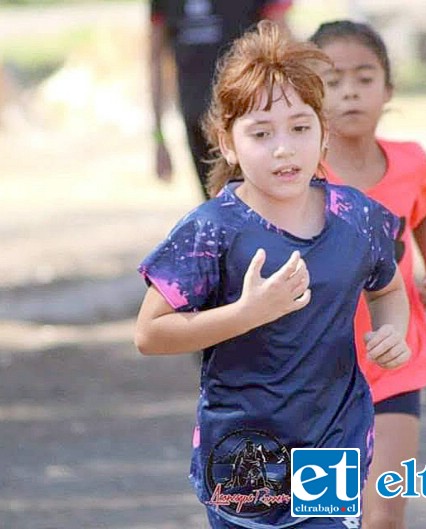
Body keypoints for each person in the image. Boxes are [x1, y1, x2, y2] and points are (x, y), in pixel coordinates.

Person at [135, 21, 411, 529]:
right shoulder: (211, 230)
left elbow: (389, 289)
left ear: (324, 133)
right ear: (229, 142)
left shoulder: (356, 216)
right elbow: (150, 334)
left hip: (332, 439)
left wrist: (393, 329)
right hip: (245, 449)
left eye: (301, 128)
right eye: (262, 133)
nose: (284, 148)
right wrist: (246, 314)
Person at [310, 21, 426, 529]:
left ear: (387, 90)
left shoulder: (410, 160)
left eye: (364, 78)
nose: (349, 92)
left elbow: (424, 213)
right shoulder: (301, 175)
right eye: (332, 79)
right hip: (318, 375)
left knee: (384, 515)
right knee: (326, 514)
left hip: (396, 362)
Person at [149, 0, 293, 198]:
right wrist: (159, 138)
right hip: (197, 120)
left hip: (252, 120)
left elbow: (283, 44)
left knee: (262, 207)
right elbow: (156, 59)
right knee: (217, 209)